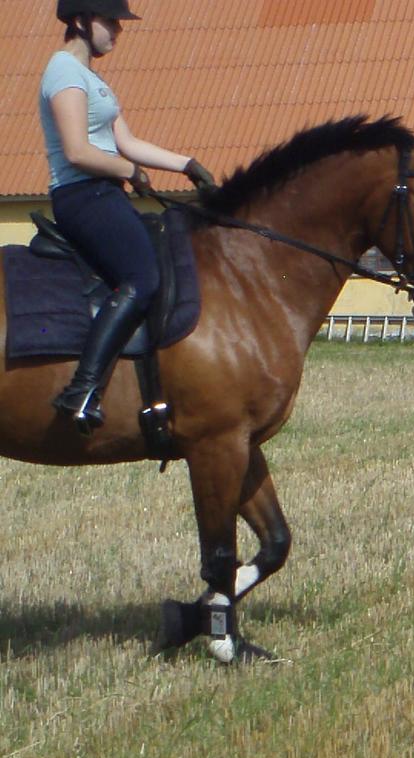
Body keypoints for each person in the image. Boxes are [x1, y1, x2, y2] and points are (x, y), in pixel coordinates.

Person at [40, 0, 215, 434]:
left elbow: (128, 142)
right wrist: (129, 172)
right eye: (111, 21)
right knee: (143, 276)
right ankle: (82, 390)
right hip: (81, 195)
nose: (118, 30)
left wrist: (187, 164)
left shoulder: (93, 80)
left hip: (105, 194)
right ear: (81, 21)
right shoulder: (63, 72)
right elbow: (79, 152)